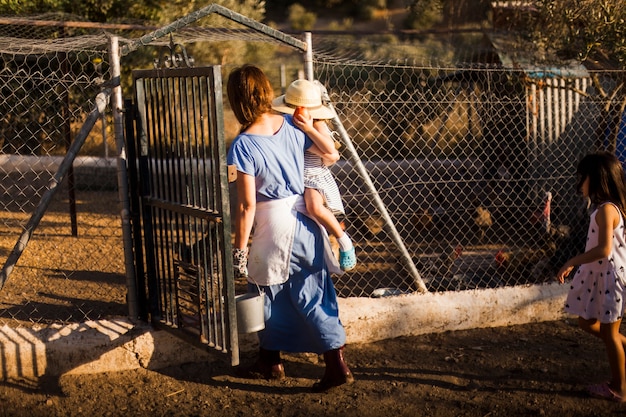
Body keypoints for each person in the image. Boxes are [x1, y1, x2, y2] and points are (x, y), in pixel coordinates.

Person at [226, 64, 354, 392]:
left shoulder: (242, 145)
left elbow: (246, 205)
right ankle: (278, 359)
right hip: (307, 222)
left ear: (236, 100)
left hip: (274, 225)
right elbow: (328, 154)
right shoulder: (290, 125)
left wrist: (240, 249)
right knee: (313, 290)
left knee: (271, 292)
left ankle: (312, 363)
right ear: (267, 91)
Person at [557, 151, 626, 402]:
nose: (579, 183)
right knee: (587, 322)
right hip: (604, 277)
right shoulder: (606, 208)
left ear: (596, 179)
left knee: (609, 334)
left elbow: (604, 249)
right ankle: (621, 352)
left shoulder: (606, 210)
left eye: (582, 177)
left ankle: (619, 388)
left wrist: (572, 261)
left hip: (610, 279)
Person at [271, 79, 356, 271]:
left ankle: (344, 241)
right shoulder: (286, 122)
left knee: (314, 207)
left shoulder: (317, 124)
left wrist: (308, 128)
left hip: (312, 177)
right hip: (292, 177)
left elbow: (331, 151)